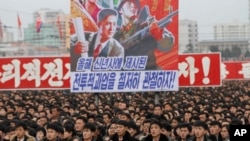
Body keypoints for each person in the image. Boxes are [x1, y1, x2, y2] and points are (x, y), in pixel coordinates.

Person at [114, 0, 175, 70]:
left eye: (136, 5)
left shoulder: (148, 23)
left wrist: (159, 36)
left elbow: (168, 46)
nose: (133, 6)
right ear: (120, 10)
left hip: (148, 72)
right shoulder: (115, 34)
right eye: (129, 3)